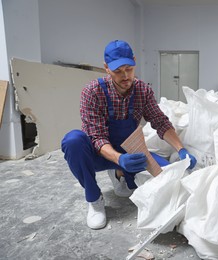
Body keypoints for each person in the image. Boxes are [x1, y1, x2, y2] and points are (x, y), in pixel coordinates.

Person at [61, 40, 197, 230]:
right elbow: (96, 137)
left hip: (129, 150)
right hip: (98, 154)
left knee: (168, 175)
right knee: (73, 141)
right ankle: (94, 200)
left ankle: (121, 176)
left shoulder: (142, 90)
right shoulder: (92, 92)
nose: (125, 76)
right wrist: (119, 159)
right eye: (118, 71)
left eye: (129, 69)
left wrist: (181, 150)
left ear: (134, 61)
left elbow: (160, 121)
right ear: (106, 68)